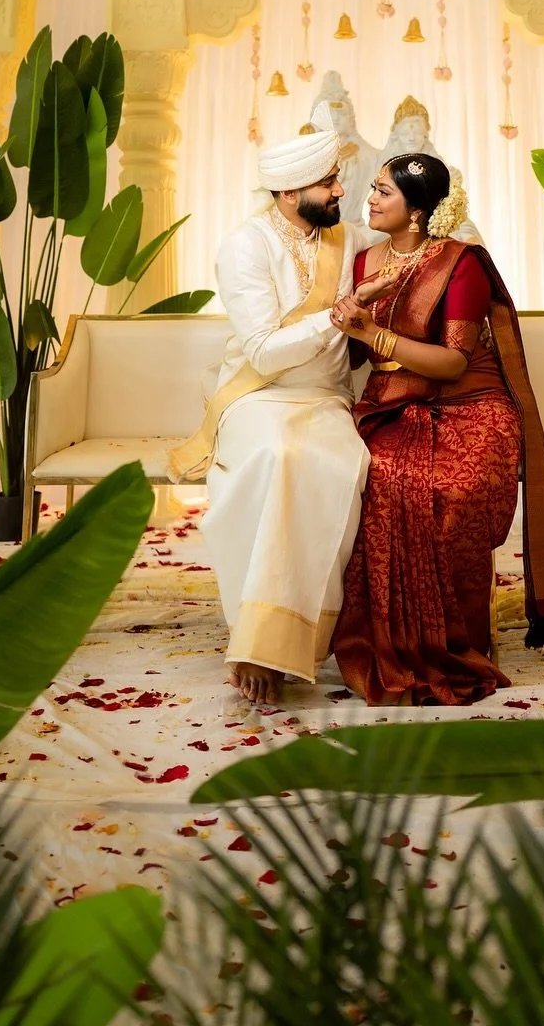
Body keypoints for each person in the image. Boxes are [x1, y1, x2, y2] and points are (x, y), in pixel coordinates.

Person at [329, 154, 544, 706]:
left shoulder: (461, 264)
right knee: (377, 478)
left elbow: (455, 361)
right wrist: (358, 310)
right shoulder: (363, 263)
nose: (371, 199)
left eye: (383, 192)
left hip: (472, 403)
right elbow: (360, 352)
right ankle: (387, 640)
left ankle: (456, 641)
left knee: (454, 489)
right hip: (391, 402)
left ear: (416, 211)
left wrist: (374, 335)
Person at [169, 106, 382, 706]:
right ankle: (259, 640)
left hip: (325, 399)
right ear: (290, 194)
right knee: (280, 458)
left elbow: (399, 251)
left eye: (339, 179)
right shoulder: (246, 246)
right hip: (258, 397)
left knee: (338, 465)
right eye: (329, 184)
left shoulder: (346, 235)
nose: (342, 190)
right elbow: (263, 354)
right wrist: (336, 317)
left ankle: (301, 636)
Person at [381, 95, 482, 243]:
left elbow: (447, 204)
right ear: (396, 136)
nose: (411, 138)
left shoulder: (437, 164)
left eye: (416, 133)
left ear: (425, 133)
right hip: (398, 221)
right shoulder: (387, 167)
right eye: (405, 133)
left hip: (436, 218)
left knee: (469, 236)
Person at [311, 69, 379, 225]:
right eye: (329, 112)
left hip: (354, 227)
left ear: (351, 118)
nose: (334, 118)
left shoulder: (369, 155)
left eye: (340, 113)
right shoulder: (308, 152)